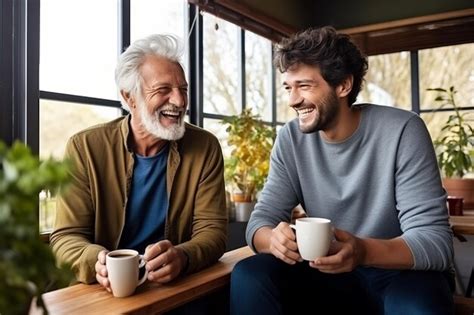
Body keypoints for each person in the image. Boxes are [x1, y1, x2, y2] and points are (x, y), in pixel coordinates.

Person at [230, 26, 454, 314]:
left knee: (417, 305)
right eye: (288, 87)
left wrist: (362, 251)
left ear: (343, 85)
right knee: (250, 275)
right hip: (327, 272)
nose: (292, 100)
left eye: (305, 86)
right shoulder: (290, 139)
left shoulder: (403, 130)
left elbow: (435, 242)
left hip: (398, 273)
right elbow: (260, 221)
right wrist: (274, 240)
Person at [50, 34, 228, 291]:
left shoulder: (205, 147)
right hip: (104, 292)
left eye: (183, 89)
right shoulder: (84, 148)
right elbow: (66, 237)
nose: (179, 101)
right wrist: (97, 263)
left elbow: (213, 232)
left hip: (172, 288)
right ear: (129, 97)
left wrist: (183, 256)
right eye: (163, 90)